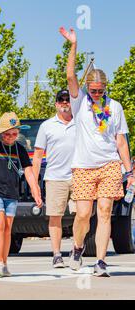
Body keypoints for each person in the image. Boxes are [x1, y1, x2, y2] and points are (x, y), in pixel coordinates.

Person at [60, 27, 134, 276]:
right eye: (93, 90)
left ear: (105, 88)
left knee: (104, 212)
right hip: (83, 165)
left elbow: (121, 140)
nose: (97, 94)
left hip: (109, 165)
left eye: (100, 91)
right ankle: (78, 247)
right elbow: (70, 74)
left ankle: (100, 261)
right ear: (87, 88)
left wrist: (129, 170)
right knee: (83, 214)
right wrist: (73, 45)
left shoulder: (115, 107)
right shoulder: (79, 101)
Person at [0, 112, 42, 277]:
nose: (11, 137)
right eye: (7, 134)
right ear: (1, 133)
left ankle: (4, 264)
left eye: (14, 133)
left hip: (11, 195)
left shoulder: (20, 149)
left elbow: (28, 171)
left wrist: (35, 190)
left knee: (7, 229)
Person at [32, 90, 76, 268]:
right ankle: (57, 254)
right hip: (55, 178)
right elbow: (37, 156)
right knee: (55, 216)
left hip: (79, 176)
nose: (65, 102)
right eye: (61, 100)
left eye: (68, 99)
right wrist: (34, 184)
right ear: (56, 103)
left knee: (83, 214)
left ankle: (76, 249)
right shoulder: (47, 126)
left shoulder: (81, 122)